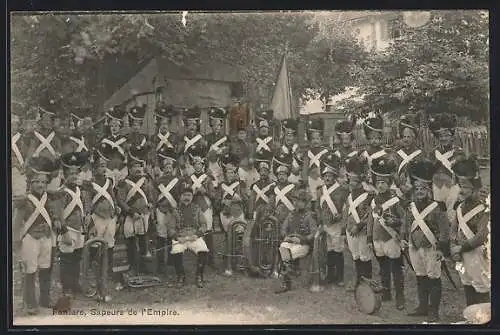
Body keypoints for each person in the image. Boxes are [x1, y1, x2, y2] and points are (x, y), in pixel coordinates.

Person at [404, 159, 450, 323]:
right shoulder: (411, 206)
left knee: (433, 278)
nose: (420, 191)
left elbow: (445, 231)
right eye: (417, 188)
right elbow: (406, 223)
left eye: (423, 188)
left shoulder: (438, 207)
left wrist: (441, 249)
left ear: (429, 189)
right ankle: (422, 307)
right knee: (420, 276)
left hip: (432, 248)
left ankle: (433, 311)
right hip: (414, 247)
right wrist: (404, 238)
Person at [14, 156, 60, 314]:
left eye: (43, 182)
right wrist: (16, 242)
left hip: (47, 239)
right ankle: (31, 303)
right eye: (36, 181)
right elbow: (17, 223)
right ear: (30, 183)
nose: (40, 184)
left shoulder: (49, 198)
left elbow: (53, 214)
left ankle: (45, 300)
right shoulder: (24, 200)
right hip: (30, 240)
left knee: (46, 270)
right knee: (30, 271)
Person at [367, 156, 407, 310]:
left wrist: (395, 222)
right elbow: (371, 220)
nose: (381, 185)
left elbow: (404, 219)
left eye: (384, 182)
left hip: (391, 239)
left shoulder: (395, 200)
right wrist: (369, 238)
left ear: (389, 184)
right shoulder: (374, 200)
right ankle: (386, 293)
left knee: (396, 269)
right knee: (383, 268)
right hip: (378, 240)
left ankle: (400, 296)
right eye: (378, 182)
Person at [450, 157, 490, 306]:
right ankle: (471, 317)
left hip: (478, 253)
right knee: (466, 282)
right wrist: (453, 245)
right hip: (462, 253)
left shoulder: (484, 208)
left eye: (465, 187)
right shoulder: (460, 207)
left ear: (475, 188)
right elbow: (453, 228)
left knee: (480, 286)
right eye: (460, 186)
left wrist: (461, 247)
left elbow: (482, 235)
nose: (461, 190)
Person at [83, 142, 121, 296]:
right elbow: (87, 200)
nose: (103, 169)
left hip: (110, 215)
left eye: (104, 166)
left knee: (109, 240)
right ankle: (93, 268)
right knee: (95, 242)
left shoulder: (109, 182)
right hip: (98, 215)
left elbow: (112, 196)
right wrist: (88, 214)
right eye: (100, 166)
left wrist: (116, 205)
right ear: (94, 168)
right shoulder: (90, 184)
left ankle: (108, 267)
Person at [115, 145, 156, 275]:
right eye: (135, 167)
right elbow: (120, 200)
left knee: (144, 241)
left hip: (144, 215)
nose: (138, 169)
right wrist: (131, 212)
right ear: (129, 168)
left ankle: (144, 267)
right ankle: (132, 265)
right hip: (130, 216)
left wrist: (150, 204)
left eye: (139, 166)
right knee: (131, 242)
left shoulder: (146, 181)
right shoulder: (124, 183)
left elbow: (151, 196)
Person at [57, 152, 90, 298]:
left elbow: (83, 208)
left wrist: (87, 218)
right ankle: (67, 288)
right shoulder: (61, 193)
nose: (74, 176)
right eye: (70, 174)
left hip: (79, 230)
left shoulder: (80, 191)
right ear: (64, 176)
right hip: (67, 230)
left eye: (76, 173)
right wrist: (64, 233)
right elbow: (58, 216)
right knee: (66, 260)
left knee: (77, 258)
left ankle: (75, 284)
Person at [275, 187, 318, 294]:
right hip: (290, 242)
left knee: (287, 253)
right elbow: (283, 229)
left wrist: (301, 239)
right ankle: (287, 278)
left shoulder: (310, 216)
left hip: (304, 245)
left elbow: (314, 233)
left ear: (305, 202)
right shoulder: (291, 214)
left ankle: (286, 280)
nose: (296, 203)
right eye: (295, 201)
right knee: (283, 247)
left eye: (299, 201)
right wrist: (286, 236)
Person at [168, 179, 209, 288]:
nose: (187, 197)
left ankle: (199, 276)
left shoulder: (197, 209)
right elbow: (170, 228)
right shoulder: (175, 210)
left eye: (189, 195)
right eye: (184, 195)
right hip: (181, 237)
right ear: (181, 196)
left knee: (203, 249)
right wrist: (177, 237)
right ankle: (181, 276)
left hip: (194, 236)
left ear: (192, 197)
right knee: (176, 250)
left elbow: (204, 224)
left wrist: (198, 235)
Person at [316, 151, 349, 287]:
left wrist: (341, 216)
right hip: (325, 223)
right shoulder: (320, 190)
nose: (328, 178)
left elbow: (347, 207)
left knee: (338, 250)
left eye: (330, 175)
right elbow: (318, 207)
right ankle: (330, 275)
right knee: (329, 250)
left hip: (336, 224)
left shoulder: (342, 190)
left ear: (335, 176)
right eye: (326, 176)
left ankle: (339, 277)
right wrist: (319, 221)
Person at [343, 154, 375, 292]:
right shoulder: (349, 195)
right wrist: (345, 228)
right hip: (351, 230)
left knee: (364, 257)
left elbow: (369, 215)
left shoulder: (369, 195)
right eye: (350, 179)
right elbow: (346, 212)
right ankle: (358, 280)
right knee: (355, 256)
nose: (352, 182)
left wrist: (359, 225)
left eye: (355, 180)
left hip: (361, 230)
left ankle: (366, 283)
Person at [428, 113, 466, 222]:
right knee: (439, 218)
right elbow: (429, 174)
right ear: (437, 137)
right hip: (437, 189)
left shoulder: (459, 152)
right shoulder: (433, 153)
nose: (444, 138)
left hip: (453, 189)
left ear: (452, 136)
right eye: (441, 136)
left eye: (446, 135)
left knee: (452, 217)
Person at [186, 144, 217, 268]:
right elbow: (185, 196)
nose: (198, 166)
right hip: (195, 208)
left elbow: (214, 196)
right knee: (198, 233)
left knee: (208, 233)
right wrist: (192, 193)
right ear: (193, 166)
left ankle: (211, 259)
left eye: (200, 164)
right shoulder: (189, 179)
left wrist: (206, 192)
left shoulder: (208, 179)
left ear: (203, 165)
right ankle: (200, 258)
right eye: (195, 164)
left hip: (206, 207)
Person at [24, 96, 63, 191]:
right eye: (46, 118)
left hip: (52, 172)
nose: (48, 122)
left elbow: (59, 153)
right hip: (36, 172)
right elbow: (29, 153)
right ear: (40, 119)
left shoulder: (56, 136)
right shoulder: (32, 134)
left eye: (50, 119)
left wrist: (58, 168)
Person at [218, 152, 246, 276]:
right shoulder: (221, 185)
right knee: (228, 237)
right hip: (225, 214)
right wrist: (223, 201)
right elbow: (216, 199)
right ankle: (227, 262)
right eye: (228, 171)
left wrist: (237, 197)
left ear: (236, 172)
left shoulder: (241, 184)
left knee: (239, 236)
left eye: (232, 171)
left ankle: (239, 260)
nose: (230, 174)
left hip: (238, 212)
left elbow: (244, 198)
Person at [155, 146, 181, 277]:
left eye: (170, 167)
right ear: (163, 169)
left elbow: (179, 195)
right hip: (161, 209)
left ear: (173, 168)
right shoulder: (158, 181)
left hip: (172, 210)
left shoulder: (177, 181)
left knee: (172, 234)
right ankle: (160, 263)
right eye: (166, 167)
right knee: (161, 235)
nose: (168, 169)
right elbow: (155, 196)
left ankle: (171, 260)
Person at [393, 113, 424, 204]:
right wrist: (400, 185)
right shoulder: (397, 154)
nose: (406, 139)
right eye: (404, 137)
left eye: (409, 137)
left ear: (414, 137)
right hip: (399, 188)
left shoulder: (420, 153)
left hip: (416, 188)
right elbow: (393, 171)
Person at [63, 107, 93, 184]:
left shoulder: (85, 139)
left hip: (87, 172)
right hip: (75, 173)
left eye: (84, 126)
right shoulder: (69, 140)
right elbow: (68, 159)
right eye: (81, 126)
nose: (83, 128)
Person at [361, 114, 390, 193]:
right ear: (368, 139)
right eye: (372, 138)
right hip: (368, 182)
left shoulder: (385, 153)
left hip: (381, 181)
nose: (374, 141)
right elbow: (362, 168)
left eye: (377, 138)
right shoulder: (365, 153)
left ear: (381, 138)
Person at [100, 105, 129, 184]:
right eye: (112, 126)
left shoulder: (125, 140)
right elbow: (103, 155)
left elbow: (127, 153)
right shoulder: (105, 140)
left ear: (120, 127)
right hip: (109, 167)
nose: (114, 128)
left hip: (122, 167)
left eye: (116, 126)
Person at [304, 118, 327, 210]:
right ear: (310, 140)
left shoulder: (325, 152)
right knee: (311, 199)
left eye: (317, 138)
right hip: (311, 180)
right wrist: (306, 181)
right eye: (313, 139)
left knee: (321, 198)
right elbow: (305, 168)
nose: (315, 141)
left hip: (322, 179)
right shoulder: (307, 153)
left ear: (321, 139)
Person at [151, 103, 178, 179]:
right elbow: (152, 153)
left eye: (166, 124)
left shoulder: (174, 137)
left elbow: (177, 153)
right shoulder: (154, 138)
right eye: (162, 124)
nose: (164, 126)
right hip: (158, 168)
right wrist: (155, 165)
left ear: (169, 125)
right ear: (159, 125)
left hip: (172, 167)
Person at [179, 106, 207, 177]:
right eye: (189, 124)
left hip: (200, 167)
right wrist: (183, 168)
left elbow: (205, 154)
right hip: (186, 166)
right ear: (186, 125)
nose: (192, 127)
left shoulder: (202, 138)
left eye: (194, 124)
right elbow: (180, 154)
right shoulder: (182, 138)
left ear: (197, 126)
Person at [248, 151, 276, 223]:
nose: (263, 173)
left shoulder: (272, 184)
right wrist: (250, 213)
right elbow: (252, 200)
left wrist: (268, 211)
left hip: (268, 212)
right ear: (259, 172)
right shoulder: (255, 185)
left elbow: (272, 200)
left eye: (265, 171)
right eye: (261, 171)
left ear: (268, 172)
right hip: (256, 212)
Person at [12, 112, 27, 248]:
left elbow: (29, 154)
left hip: (19, 173)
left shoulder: (22, 139)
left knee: (20, 202)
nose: (13, 126)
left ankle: (16, 236)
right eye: (11, 123)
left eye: (15, 124)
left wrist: (24, 165)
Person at [206, 107, 229, 187]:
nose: (216, 127)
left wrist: (223, 151)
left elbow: (227, 152)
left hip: (221, 165)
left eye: (218, 125)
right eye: (214, 125)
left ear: (221, 126)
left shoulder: (225, 138)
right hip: (209, 165)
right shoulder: (207, 138)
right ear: (211, 126)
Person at [333, 118, 359, 186]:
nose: (345, 141)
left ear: (351, 139)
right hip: (339, 182)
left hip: (352, 181)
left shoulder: (355, 153)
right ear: (340, 139)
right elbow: (334, 169)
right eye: (343, 139)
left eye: (347, 139)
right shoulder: (337, 153)